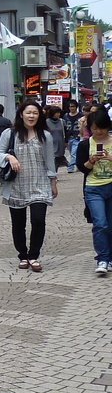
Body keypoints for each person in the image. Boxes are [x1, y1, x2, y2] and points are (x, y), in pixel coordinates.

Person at [0, 100, 58, 273]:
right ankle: (22, 255)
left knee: (38, 220)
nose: (32, 116)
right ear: (21, 114)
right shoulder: (10, 133)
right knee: (18, 223)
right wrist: (9, 157)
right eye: (28, 112)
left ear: (40, 115)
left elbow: (50, 161)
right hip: (17, 185)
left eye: (35, 113)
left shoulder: (45, 135)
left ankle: (34, 255)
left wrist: (53, 182)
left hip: (40, 183)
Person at [76, 108, 112, 276]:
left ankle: (109, 257)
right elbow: (82, 169)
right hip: (93, 188)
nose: (98, 132)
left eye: (102, 128)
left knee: (110, 225)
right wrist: (91, 161)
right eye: (94, 128)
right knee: (100, 224)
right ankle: (102, 259)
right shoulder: (85, 144)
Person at [44, 105, 67, 170]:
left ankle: (55, 171)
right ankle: (52, 172)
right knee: (52, 158)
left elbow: (65, 131)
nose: (58, 114)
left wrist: (66, 141)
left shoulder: (62, 121)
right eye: (57, 113)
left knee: (58, 158)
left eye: (59, 113)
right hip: (51, 143)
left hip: (60, 143)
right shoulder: (46, 122)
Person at [64, 100, 84, 173]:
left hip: (77, 136)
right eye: (70, 107)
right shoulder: (66, 116)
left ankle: (70, 167)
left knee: (73, 153)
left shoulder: (81, 116)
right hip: (69, 137)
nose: (71, 108)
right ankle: (78, 165)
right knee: (72, 153)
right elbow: (65, 127)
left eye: (73, 106)